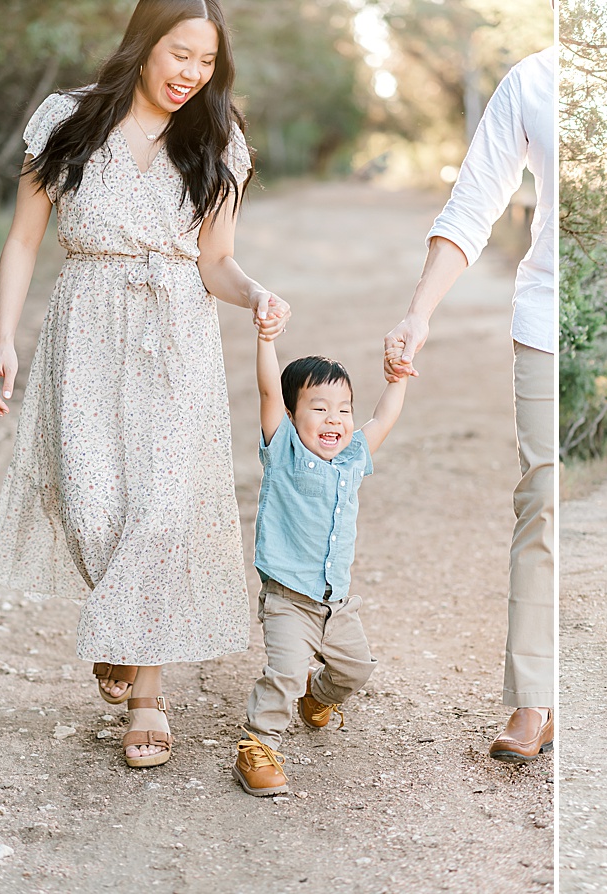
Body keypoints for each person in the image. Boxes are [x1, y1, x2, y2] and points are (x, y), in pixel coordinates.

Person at [0, 0, 289, 769]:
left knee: (159, 510)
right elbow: (23, 239)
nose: (192, 74)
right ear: (145, 44)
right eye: (181, 54)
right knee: (93, 506)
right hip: (85, 329)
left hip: (177, 335)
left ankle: (147, 691)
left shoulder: (219, 139)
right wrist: (1, 339)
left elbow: (215, 260)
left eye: (207, 62)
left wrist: (255, 294)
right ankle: (121, 621)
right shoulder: (66, 120)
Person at [380, 44, 554, 762]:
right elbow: (476, 199)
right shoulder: (533, 80)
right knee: (544, 499)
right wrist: (420, 311)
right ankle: (534, 698)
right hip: (549, 317)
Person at [233, 327, 407, 797]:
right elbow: (269, 388)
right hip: (289, 599)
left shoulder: (352, 457)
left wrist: (399, 376)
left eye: (343, 409)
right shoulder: (283, 450)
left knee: (355, 670)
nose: (335, 419)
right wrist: (265, 338)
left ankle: (317, 696)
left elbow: (385, 417)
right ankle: (258, 746)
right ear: (291, 415)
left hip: (336, 603)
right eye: (319, 408)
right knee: (284, 673)